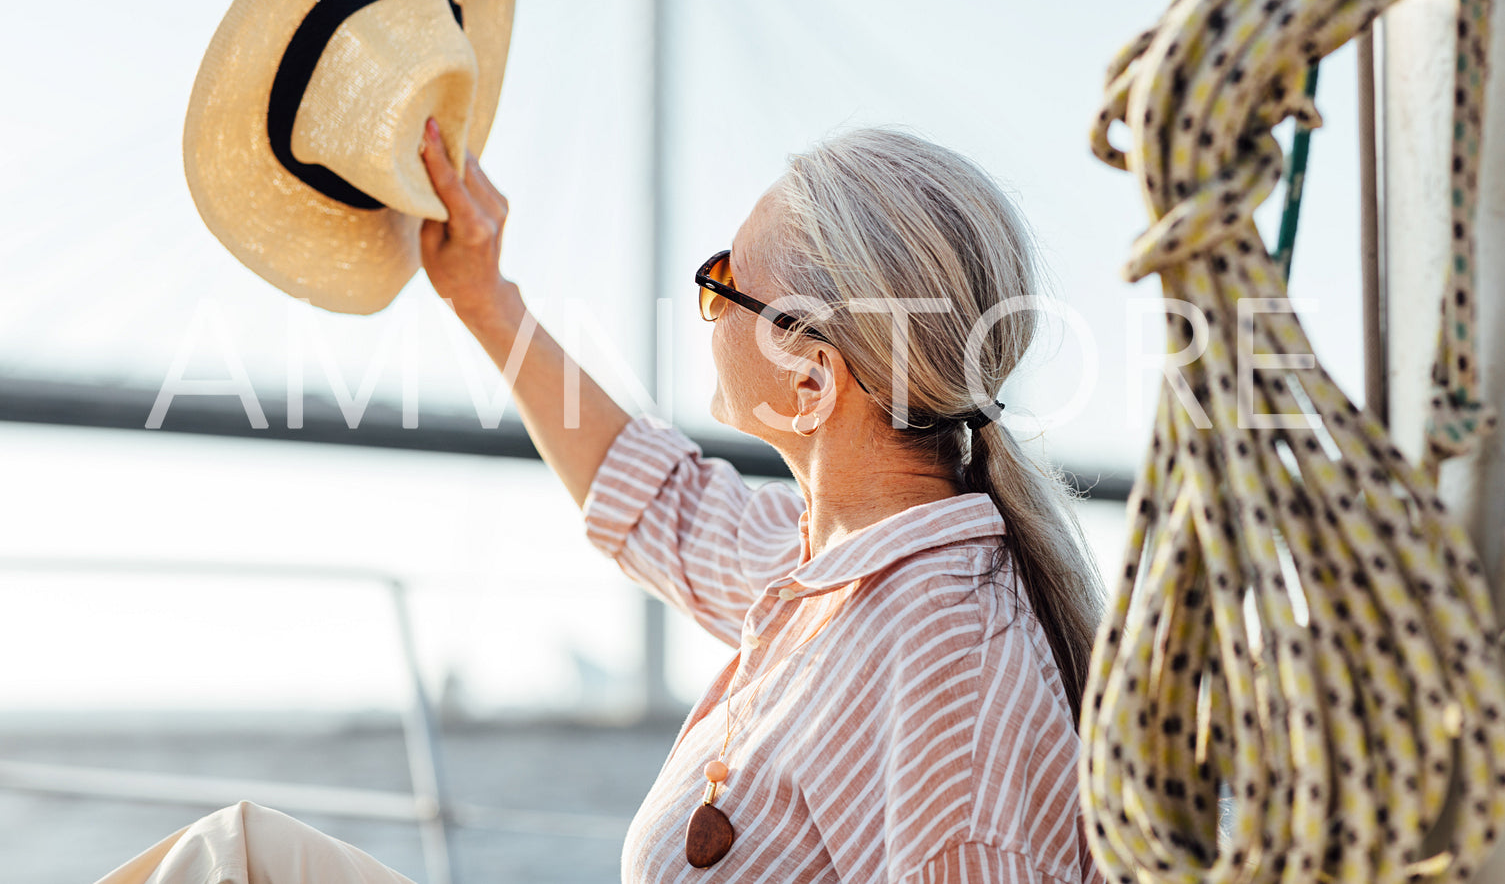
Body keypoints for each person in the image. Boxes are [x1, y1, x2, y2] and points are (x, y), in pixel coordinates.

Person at [97, 123, 1107, 883]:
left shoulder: (950, 667)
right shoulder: (829, 573)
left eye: (722, 284)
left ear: (811, 380)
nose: (699, 308)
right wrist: (483, 298)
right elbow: (654, 495)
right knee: (232, 857)